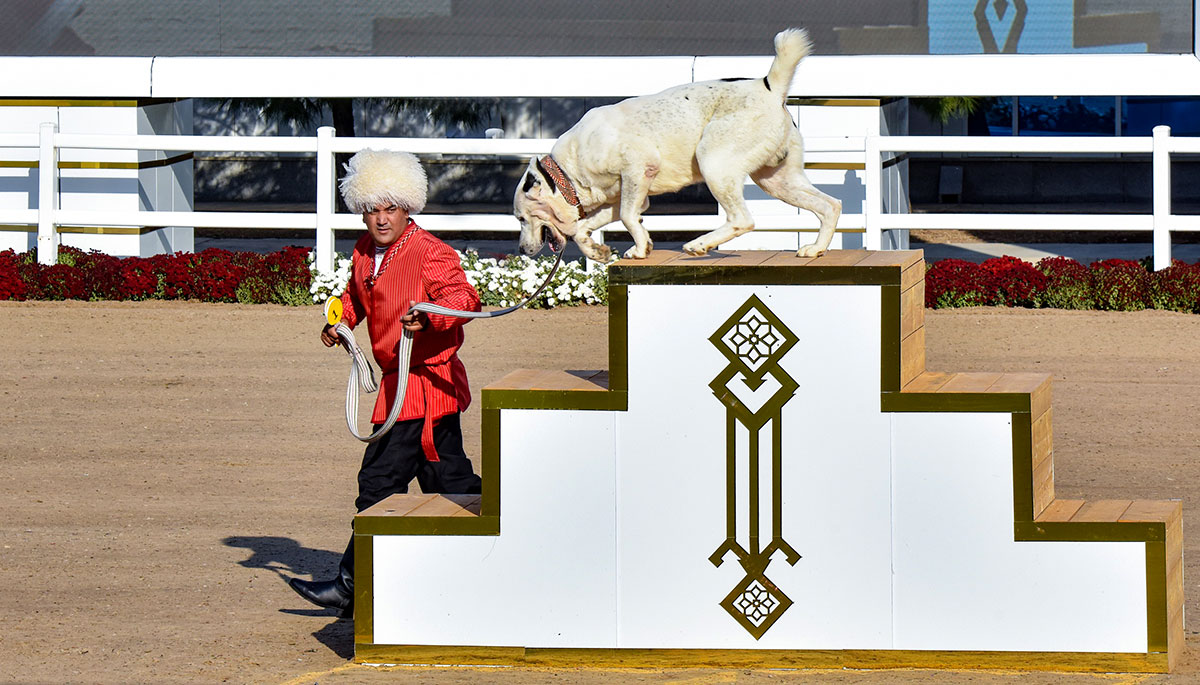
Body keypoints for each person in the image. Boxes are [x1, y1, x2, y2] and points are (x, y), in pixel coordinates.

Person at [287, 149, 482, 618]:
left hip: (426, 389)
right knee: (451, 485)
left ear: (408, 206)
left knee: (378, 484)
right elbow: (356, 298)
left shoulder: (432, 252)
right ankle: (509, 547)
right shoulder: (361, 251)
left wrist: (430, 316)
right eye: (372, 208)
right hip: (398, 391)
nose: (380, 218)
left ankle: (351, 589)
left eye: (389, 207)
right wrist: (340, 320)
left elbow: (464, 298)